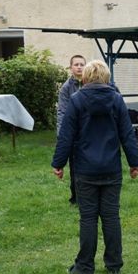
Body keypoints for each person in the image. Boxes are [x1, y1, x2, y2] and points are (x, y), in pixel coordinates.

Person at [52, 60, 138, 274]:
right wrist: (134, 162)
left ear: (85, 78)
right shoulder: (117, 100)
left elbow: (66, 135)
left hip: (85, 169)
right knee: (111, 217)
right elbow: (127, 133)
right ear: (106, 77)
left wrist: (59, 163)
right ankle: (114, 265)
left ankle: (84, 266)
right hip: (111, 168)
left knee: (88, 218)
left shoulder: (76, 101)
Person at [57, 54, 86, 205]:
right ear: (71, 67)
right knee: (74, 165)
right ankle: (75, 196)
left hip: (88, 131)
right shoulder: (66, 88)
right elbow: (62, 111)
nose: (79, 67)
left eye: (82, 64)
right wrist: (62, 134)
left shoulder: (89, 83)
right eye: (76, 64)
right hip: (73, 132)